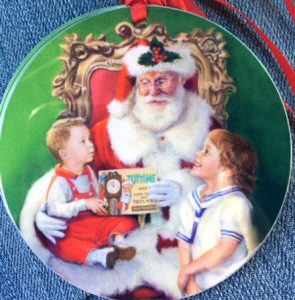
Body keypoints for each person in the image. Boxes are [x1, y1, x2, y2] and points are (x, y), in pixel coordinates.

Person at [20, 38, 220, 298]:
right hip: (122, 245)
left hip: (186, 244)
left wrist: (185, 191)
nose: (153, 91)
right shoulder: (109, 132)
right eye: (145, 83)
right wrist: (42, 214)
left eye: (162, 81)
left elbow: (231, 186)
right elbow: (72, 172)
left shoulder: (206, 127)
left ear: (181, 79)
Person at [44, 118, 138, 268]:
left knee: (125, 221)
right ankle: (98, 256)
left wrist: (107, 200)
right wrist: (84, 204)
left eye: (89, 139)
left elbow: (97, 192)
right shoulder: (60, 182)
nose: (91, 145)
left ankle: (119, 243)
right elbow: (54, 208)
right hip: (73, 228)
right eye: (83, 142)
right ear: (65, 154)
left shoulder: (88, 171)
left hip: (93, 221)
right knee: (63, 245)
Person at [177, 129, 259, 296]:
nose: (197, 154)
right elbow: (184, 242)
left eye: (206, 151)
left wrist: (187, 271)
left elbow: (225, 248)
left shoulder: (236, 203)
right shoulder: (192, 198)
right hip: (195, 287)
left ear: (226, 170)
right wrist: (191, 282)